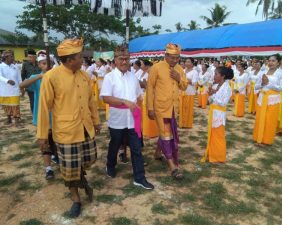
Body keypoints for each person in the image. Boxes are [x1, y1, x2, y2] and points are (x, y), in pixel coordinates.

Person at [37, 38, 101, 218]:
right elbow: (43, 107)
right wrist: (42, 135)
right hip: (66, 131)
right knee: (70, 169)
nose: (83, 59)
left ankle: (79, 175)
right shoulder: (51, 77)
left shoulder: (84, 76)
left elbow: (91, 102)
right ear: (70, 59)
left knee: (89, 159)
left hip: (85, 128)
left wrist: (96, 121)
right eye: (80, 57)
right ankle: (75, 198)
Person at [100, 45, 154, 190]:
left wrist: (138, 105)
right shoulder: (109, 77)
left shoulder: (133, 77)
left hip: (132, 120)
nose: (124, 62)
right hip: (117, 119)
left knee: (136, 148)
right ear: (115, 61)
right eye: (121, 59)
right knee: (115, 144)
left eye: (126, 59)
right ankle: (110, 165)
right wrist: (124, 101)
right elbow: (106, 98)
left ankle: (139, 177)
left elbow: (138, 95)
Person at [147, 43, 188, 180]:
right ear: (165, 56)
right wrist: (150, 108)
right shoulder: (156, 68)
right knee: (166, 134)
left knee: (167, 133)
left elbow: (184, 86)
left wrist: (179, 78)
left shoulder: (179, 69)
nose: (175, 60)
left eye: (177, 58)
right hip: (160, 108)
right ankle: (173, 166)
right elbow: (150, 89)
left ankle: (158, 153)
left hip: (173, 108)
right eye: (172, 58)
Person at [19, 55, 58, 180]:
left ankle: (56, 156)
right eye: (43, 64)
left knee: (57, 141)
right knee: (45, 142)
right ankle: (48, 168)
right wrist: (40, 76)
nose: (47, 66)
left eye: (49, 63)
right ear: (39, 65)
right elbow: (22, 85)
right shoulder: (36, 78)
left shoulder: (58, 78)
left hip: (57, 117)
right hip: (42, 116)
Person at [201, 67, 233, 163]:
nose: (214, 76)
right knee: (212, 134)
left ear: (222, 76)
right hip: (214, 112)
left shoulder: (227, 87)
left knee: (218, 135)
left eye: (216, 74)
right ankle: (212, 154)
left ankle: (218, 156)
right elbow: (210, 101)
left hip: (219, 114)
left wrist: (213, 95)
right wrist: (210, 95)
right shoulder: (217, 86)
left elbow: (223, 103)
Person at [253, 54, 282, 145]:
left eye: (273, 61)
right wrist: (263, 84)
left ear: (278, 63)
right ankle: (258, 138)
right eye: (269, 60)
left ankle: (266, 140)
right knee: (260, 118)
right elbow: (256, 86)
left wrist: (269, 84)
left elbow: (281, 88)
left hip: (273, 100)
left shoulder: (280, 73)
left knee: (269, 120)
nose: (270, 63)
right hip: (262, 98)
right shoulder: (263, 72)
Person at [0, 50, 22, 127]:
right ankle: (9, 119)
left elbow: (19, 78)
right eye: (11, 56)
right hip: (4, 91)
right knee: (6, 106)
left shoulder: (15, 67)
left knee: (15, 105)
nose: (13, 58)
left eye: (13, 56)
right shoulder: (1, 66)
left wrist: (21, 87)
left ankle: (17, 121)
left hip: (14, 90)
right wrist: (7, 81)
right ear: (6, 58)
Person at [179, 57, 198, 128]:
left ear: (192, 63)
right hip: (182, 91)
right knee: (182, 108)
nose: (187, 63)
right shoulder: (183, 70)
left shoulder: (194, 72)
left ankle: (187, 124)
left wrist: (186, 80)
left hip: (190, 92)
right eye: (186, 62)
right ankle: (182, 123)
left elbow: (194, 82)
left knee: (188, 109)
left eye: (189, 62)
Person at [21, 49, 41, 114]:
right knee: (33, 102)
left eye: (30, 57)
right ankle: (34, 115)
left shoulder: (40, 63)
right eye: (28, 56)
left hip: (40, 86)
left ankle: (41, 114)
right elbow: (23, 75)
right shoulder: (25, 64)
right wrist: (23, 86)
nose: (28, 58)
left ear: (35, 57)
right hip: (30, 87)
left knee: (40, 101)